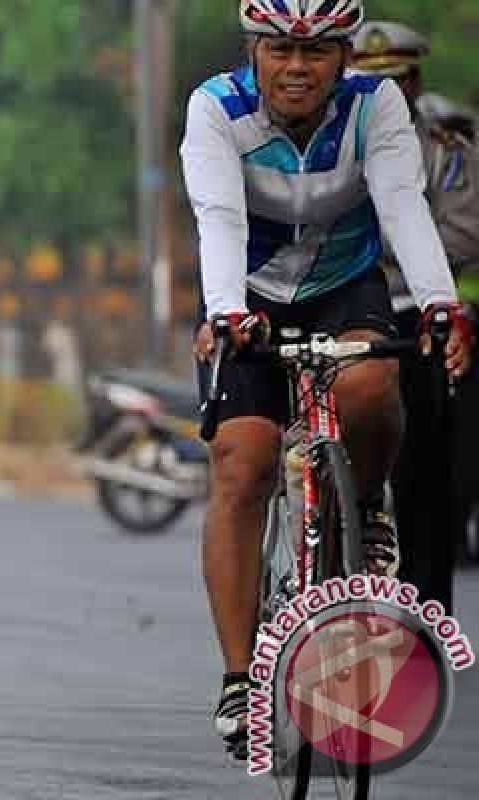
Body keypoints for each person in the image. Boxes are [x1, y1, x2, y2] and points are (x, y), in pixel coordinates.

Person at [181, 0, 473, 760]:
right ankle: (241, 677)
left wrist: (442, 305)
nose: (298, 68)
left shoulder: (375, 106)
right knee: (242, 462)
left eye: (317, 52)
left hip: (344, 284)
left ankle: (367, 500)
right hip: (244, 286)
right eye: (280, 50)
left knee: (374, 385)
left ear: (345, 56)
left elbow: (405, 207)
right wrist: (225, 310)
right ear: (254, 49)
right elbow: (218, 215)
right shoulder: (216, 107)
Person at [352, 20, 479, 613]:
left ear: (414, 81)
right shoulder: (326, 141)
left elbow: (462, 231)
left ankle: (427, 607)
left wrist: (388, 249)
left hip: (410, 309)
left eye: (394, 82)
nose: (384, 96)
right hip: (339, 305)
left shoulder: (444, 149)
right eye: (368, 83)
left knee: (425, 458)